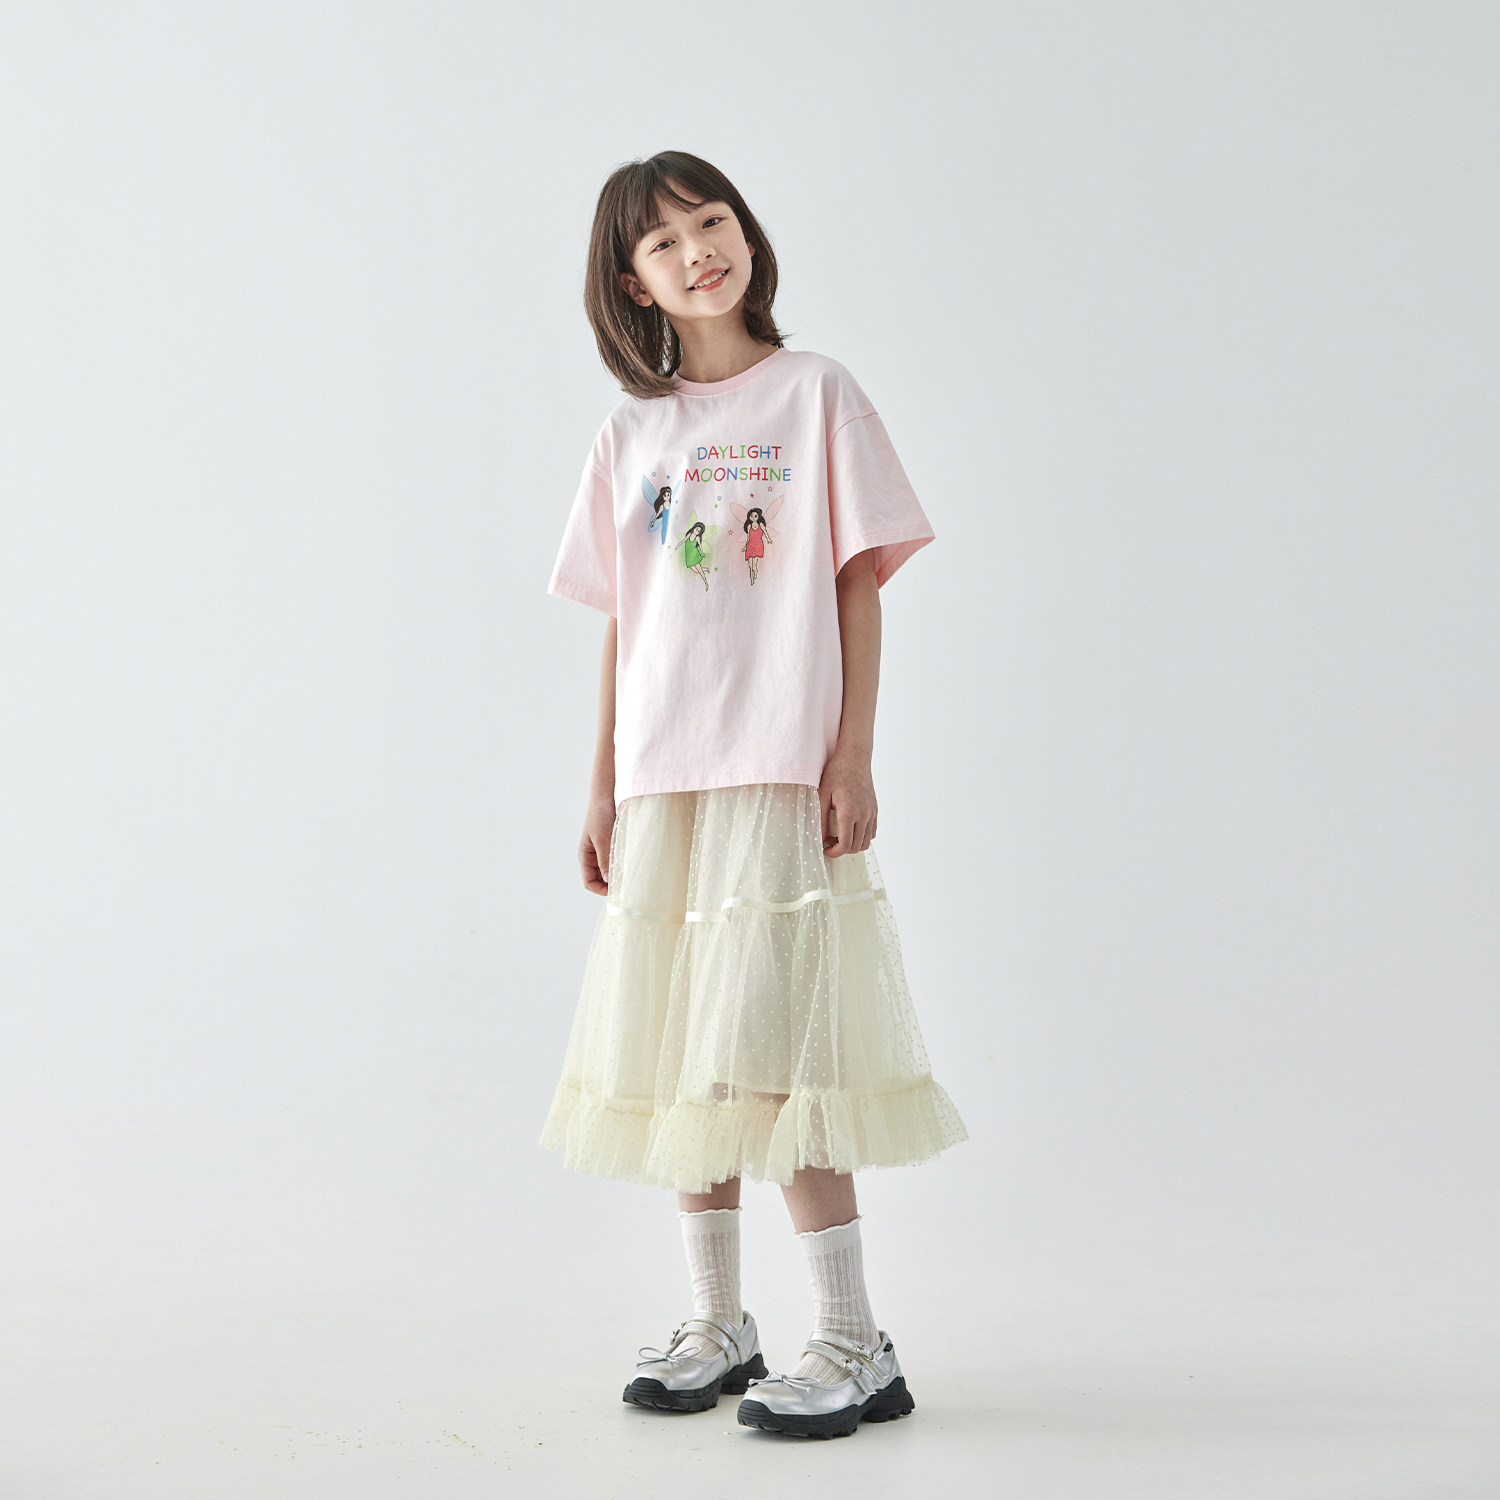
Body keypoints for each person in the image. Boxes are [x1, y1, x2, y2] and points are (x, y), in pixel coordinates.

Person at [540, 149, 969, 1441]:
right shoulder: (631, 433)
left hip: (779, 766)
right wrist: (603, 785)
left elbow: (853, 581)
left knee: (779, 1055)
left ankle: (853, 1337)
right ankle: (719, 1322)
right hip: (666, 779)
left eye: (711, 222)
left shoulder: (815, 394)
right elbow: (626, 624)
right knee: (690, 1054)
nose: (699, 252)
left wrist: (853, 751)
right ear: (635, 283)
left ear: (745, 233)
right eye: (665, 243)